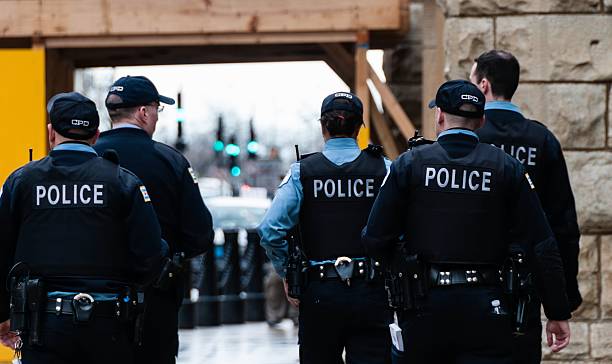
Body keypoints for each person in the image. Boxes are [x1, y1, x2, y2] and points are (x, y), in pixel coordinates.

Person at [362, 80, 571, 364]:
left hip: (423, 306)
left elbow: (374, 238)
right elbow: (542, 244)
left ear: (439, 116)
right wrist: (557, 311)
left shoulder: (410, 164)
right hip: (487, 307)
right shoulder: (506, 167)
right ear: (482, 120)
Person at [0, 92, 167, 363]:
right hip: (108, 324)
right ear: (96, 136)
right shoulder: (123, 182)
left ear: (51, 133)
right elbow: (151, 254)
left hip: (42, 327)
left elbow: (1, 250)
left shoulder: (21, 181)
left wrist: (3, 316)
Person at [258, 92, 392, 363]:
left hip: (319, 291)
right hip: (372, 290)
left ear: (323, 126)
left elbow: (270, 230)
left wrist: (287, 272)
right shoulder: (384, 170)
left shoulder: (302, 172)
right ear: (359, 128)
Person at [469, 50, 581, 363]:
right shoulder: (542, 140)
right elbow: (563, 227)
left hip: (467, 282)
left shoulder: (468, 139)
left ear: (483, 87)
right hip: (524, 286)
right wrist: (561, 301)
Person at [93, 76, 214, 364]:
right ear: (143, 112)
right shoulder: (170, 161)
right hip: (155, 294)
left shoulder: (89, 159)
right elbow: (200, 233)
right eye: (157, 109)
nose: (157, 117)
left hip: (95, 296)